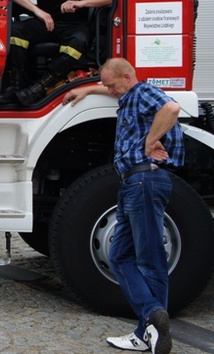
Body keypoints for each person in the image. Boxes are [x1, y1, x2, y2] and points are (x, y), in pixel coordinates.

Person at [63, 58, 182, 354]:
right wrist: (90, 90)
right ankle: (152, 318)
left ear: (128, 78)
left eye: (112, 85)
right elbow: (113, 86)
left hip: (145, 180)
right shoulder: (129, 93)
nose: (110, 91)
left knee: (150, 260)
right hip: (133, 184)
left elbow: (171, 108)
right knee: (119, 256)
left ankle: (149, 327)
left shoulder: (142, 93)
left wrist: (150, 140)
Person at [1, 0, 113, 105]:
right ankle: (16, 85)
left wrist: (82, 3)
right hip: (46, 22)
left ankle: (40, 87)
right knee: (15, 32)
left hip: (75, 25)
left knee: (78, 43)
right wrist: (38, 11)